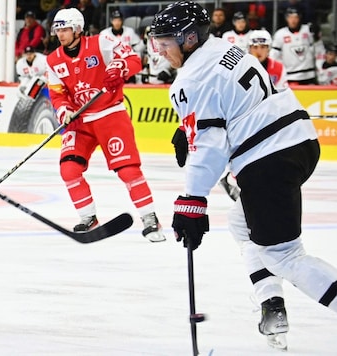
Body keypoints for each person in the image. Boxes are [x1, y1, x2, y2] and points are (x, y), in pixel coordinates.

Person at [151, 1, 337, 351]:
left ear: (189, 39)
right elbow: (227, 104)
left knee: (284, 257)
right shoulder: (224, 48)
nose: (160, 50)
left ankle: (275, 300)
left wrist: (192, 200)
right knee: (241, 223)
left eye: (166, 41)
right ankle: (271, 303)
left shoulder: (192, 78)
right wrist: (188, 126)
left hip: (270, 158)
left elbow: (210, 145)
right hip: (299, 141)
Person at [45, 8, 165, 242]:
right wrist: (64, 110)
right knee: (69, 169)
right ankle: (88, 217)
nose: (60, 34)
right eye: (57, 30)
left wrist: (119, 68)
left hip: (110, 114)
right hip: (80, 121)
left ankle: (150, 217)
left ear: (78, 29)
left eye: (65, 29)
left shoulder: (102, 41)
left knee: (128, 170)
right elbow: (57, 93)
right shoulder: (53, 60)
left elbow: (133, 60)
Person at [271, 7, 317, 85]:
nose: (293, 20)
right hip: (290, 76)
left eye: (296, 17)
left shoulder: (308, 30)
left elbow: (317, 49)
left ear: (300, 18)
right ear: (286, 18)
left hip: (309, 75)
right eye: (290, 17)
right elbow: (274, 56)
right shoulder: (280, 34)